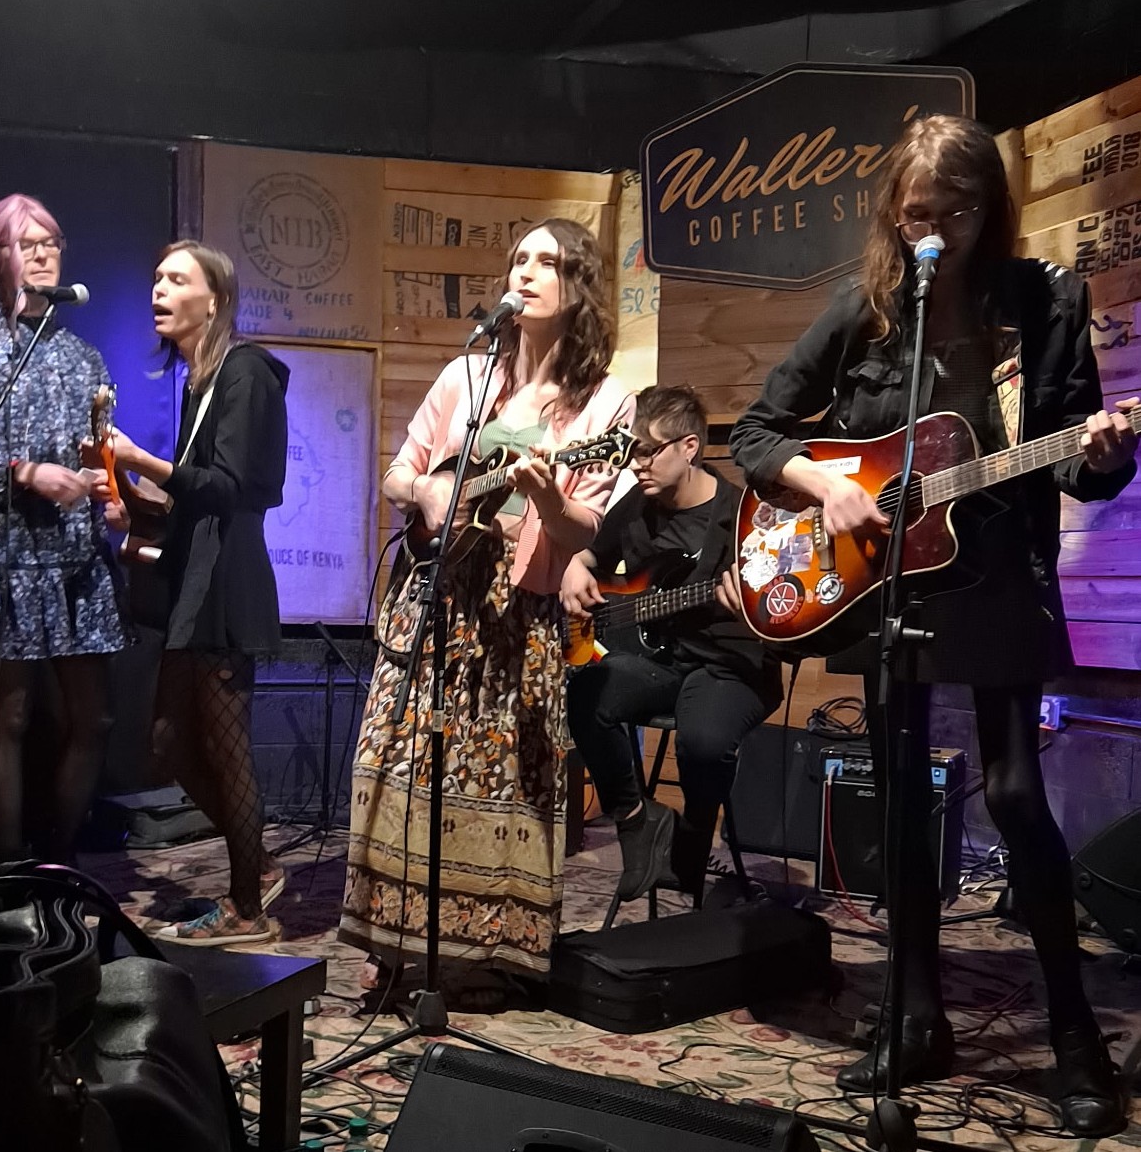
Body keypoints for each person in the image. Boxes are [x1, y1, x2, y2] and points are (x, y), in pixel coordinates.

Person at [724, 114, 1137, 1136]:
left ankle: (1074, 1037)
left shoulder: (1041, 301)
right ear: (891, 214)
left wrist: (1103, 451)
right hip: (887, 584)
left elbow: (1084, 467)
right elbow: (757, 434)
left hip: (997, 574)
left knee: (1014, 793)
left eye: (956, 212)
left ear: (989, 208)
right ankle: (915, 1017)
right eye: (916, 214)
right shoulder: (862, 310)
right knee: (900, 798)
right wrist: (827, 484)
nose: (936, 233)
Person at [339, 217, 634, 992]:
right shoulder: (465, 377)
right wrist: (428, 490)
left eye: (548, 261)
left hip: (515, 610)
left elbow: (584, 526)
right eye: (519, 259)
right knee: (404, 760)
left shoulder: (605, 404)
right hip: (433, 599)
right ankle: (396, 943)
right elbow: (398, 474)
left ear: (579, 285)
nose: (526, 272)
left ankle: (487, 958)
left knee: (497, 778)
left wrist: (546, 494)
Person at [93, 240, 290, 946]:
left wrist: (142, 461)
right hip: (197, 581)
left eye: (176, 279)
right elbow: (192, 499)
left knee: (226, 746)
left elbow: (232, 488)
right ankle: (255, 861)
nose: (159, 289)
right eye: (156, 277)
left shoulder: (245, 372)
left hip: (227, 583)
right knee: (170, 743)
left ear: (215, 300)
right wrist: (133, 504)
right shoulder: (200, 381)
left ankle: (248, 907)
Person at [0, 193, 128, 866]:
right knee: (6, 717)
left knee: (94, 719)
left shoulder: (84, 357)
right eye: (25, 244)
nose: (43, 254)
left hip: (74, 562)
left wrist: (109, 489)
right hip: (1, 560)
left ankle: (57, 864)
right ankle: (9, 872)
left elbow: (101, 449)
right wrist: (27, 474)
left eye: (51, 242)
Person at [561, 384, 782, 905]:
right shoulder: (638, 505)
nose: (636, 464)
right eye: (632, 452)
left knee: (702, 743)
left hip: (730, 664)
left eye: (648, 451)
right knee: (585, 692)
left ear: (689, 448)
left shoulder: (742, 515)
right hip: (657, 660)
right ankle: (636, 820)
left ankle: (691, 844)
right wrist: (574, 565)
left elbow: (781, 600)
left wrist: (751, 605)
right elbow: (591, 556)